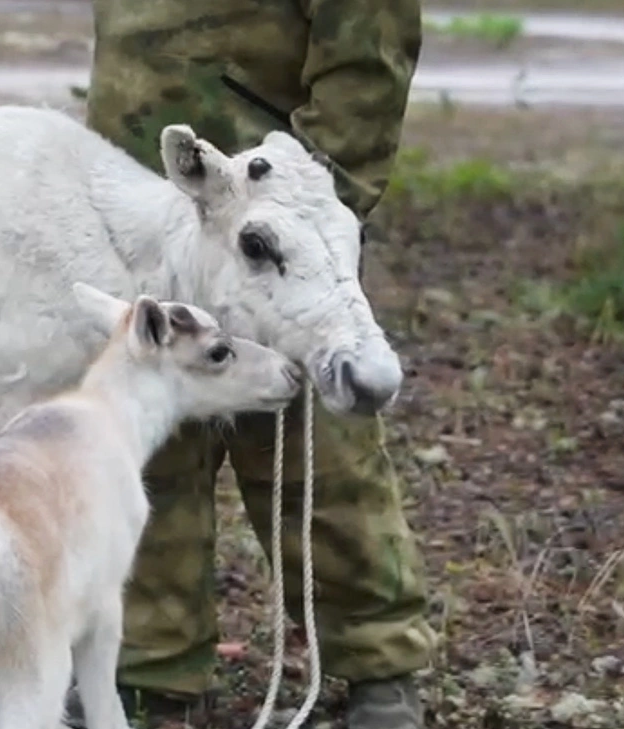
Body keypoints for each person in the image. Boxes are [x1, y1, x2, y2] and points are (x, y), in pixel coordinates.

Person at [77, 1, 435, 728]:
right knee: (144, 431)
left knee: (317, 451)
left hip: (267, 214)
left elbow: (367, 56)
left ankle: (377, 662)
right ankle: (145, 663)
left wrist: (316, 198)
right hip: (137, 199)